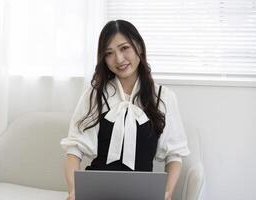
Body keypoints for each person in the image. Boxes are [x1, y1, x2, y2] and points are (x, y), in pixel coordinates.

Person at [60, 19, 190, 200]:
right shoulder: (95, 95)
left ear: (139, 46)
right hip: (97, 193)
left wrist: (166, 194)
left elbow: (174, 156)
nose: (119, 59)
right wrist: (74, 191)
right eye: (109, 53)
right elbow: (74, 150)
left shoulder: (163, 97)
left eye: (124, 48)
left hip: (143, 194)